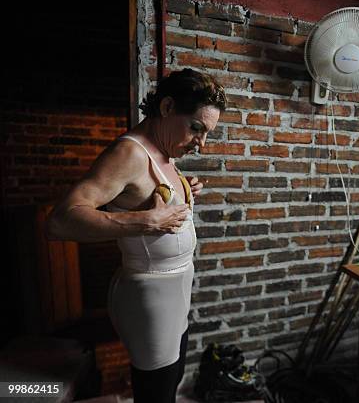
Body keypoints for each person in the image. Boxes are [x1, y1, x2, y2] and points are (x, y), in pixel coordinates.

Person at [46, 68, 226, 403]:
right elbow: (60, 221)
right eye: (197, 129)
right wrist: (146, 221)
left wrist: (185, 190)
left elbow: (149, 197)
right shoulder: (129, 153)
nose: (201, 144)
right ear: (168, 108)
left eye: (207, 134)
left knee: (170, 384)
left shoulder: (166, 151)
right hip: (150, 300)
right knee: (155, 395)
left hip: (176, 295)